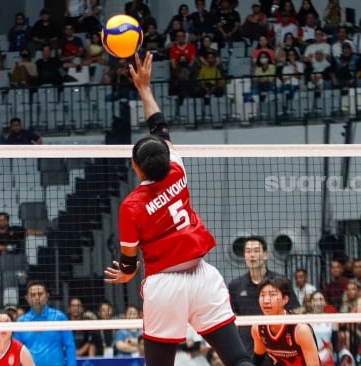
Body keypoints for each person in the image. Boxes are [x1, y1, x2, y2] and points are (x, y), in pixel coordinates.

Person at [104, 52, 254, 366]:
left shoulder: (131, 205)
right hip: (202, 276)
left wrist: (125, 274)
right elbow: (160, 129)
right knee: (239, 359)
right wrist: (145, 89)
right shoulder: (177, 169)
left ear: (136, 168)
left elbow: (129, 265)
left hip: (165, 284)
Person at [228, 236, 300, 363]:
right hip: (248, 349)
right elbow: (233, 319)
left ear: (266, 254)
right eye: (248, 251)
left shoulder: (280, 281)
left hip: (277, 348)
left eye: (256, 250)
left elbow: (296, 313)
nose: (252, 255)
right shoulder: (235, 285)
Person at [251, 276, 320, 366]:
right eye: (262, 295)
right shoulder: (257, 329)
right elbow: (257, 359)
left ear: (285, 300)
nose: (266, 300)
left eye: (272, 295)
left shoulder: (300, 330)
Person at [14, 281, 77, 366]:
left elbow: (69, 346)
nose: (37, 297)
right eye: (33, 295)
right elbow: (16, 350)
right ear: (27, 298)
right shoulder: (21, 322)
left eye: (40, 294)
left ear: (47, 296)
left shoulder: (59, 317)